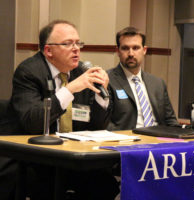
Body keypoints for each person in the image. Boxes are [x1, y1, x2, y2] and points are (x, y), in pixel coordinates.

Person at [10, 20, 119, 200]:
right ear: (48, 51)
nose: (76, 49)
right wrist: (69, 90)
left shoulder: (81, 72)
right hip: (38, 159)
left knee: (106, 185)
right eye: (68, 44)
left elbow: (97, 126)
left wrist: (101, 94)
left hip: (74, 157)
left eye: (78, 43)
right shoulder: (29, 72)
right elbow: (33, 122)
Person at [107, 26, 179, 130]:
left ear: (144, 50)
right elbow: (104, 123)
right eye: (125, 48)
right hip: (127, 141)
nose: (131, 54)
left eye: (136, 48)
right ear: (118, 51)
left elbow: (170, 121)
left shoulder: (157, 83)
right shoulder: (108, 80)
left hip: (158, 140)